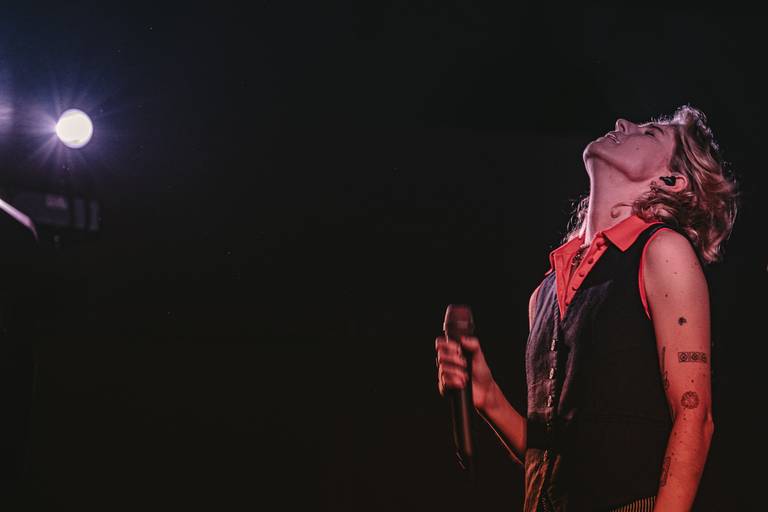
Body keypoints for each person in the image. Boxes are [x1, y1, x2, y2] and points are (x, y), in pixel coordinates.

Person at [435, 105, 738, 511]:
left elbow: (694, 418)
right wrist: (487, 395)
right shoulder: (544, 292)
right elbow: (550, 458)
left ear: (671, 180)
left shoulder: (662, 251)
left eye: (649, 133)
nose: (622, 124)